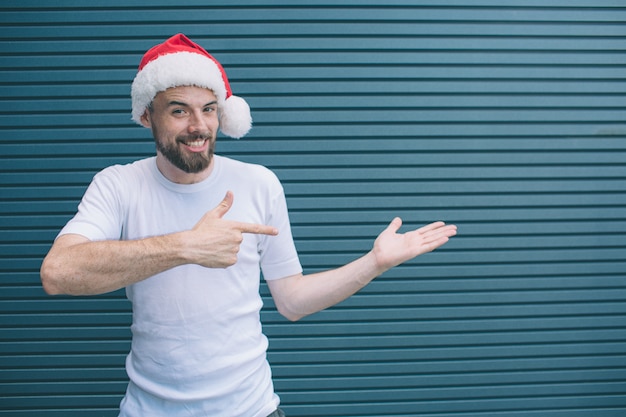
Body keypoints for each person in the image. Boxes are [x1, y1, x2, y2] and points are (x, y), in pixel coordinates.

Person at [40, 33, 457, 417]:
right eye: (179, 110)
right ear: (148, 116)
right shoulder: (119, 184)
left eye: (208, 110)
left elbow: (292, 301)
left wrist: (374, 263)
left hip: (253, 409)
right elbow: (58, 273)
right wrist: (185, 246)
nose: (197, 126)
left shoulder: (258, 183)